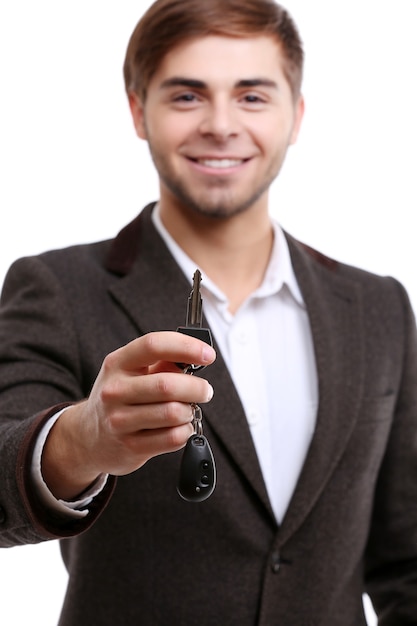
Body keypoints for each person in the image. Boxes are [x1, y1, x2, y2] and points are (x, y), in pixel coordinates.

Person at [0, 0, 416, 623]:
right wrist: (83, 440)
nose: (221, 125)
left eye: (252, 96)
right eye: (187, 96)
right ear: (139, 111)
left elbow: (406, 559)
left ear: (295, 115)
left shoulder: (378, 306)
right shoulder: (57, 287)